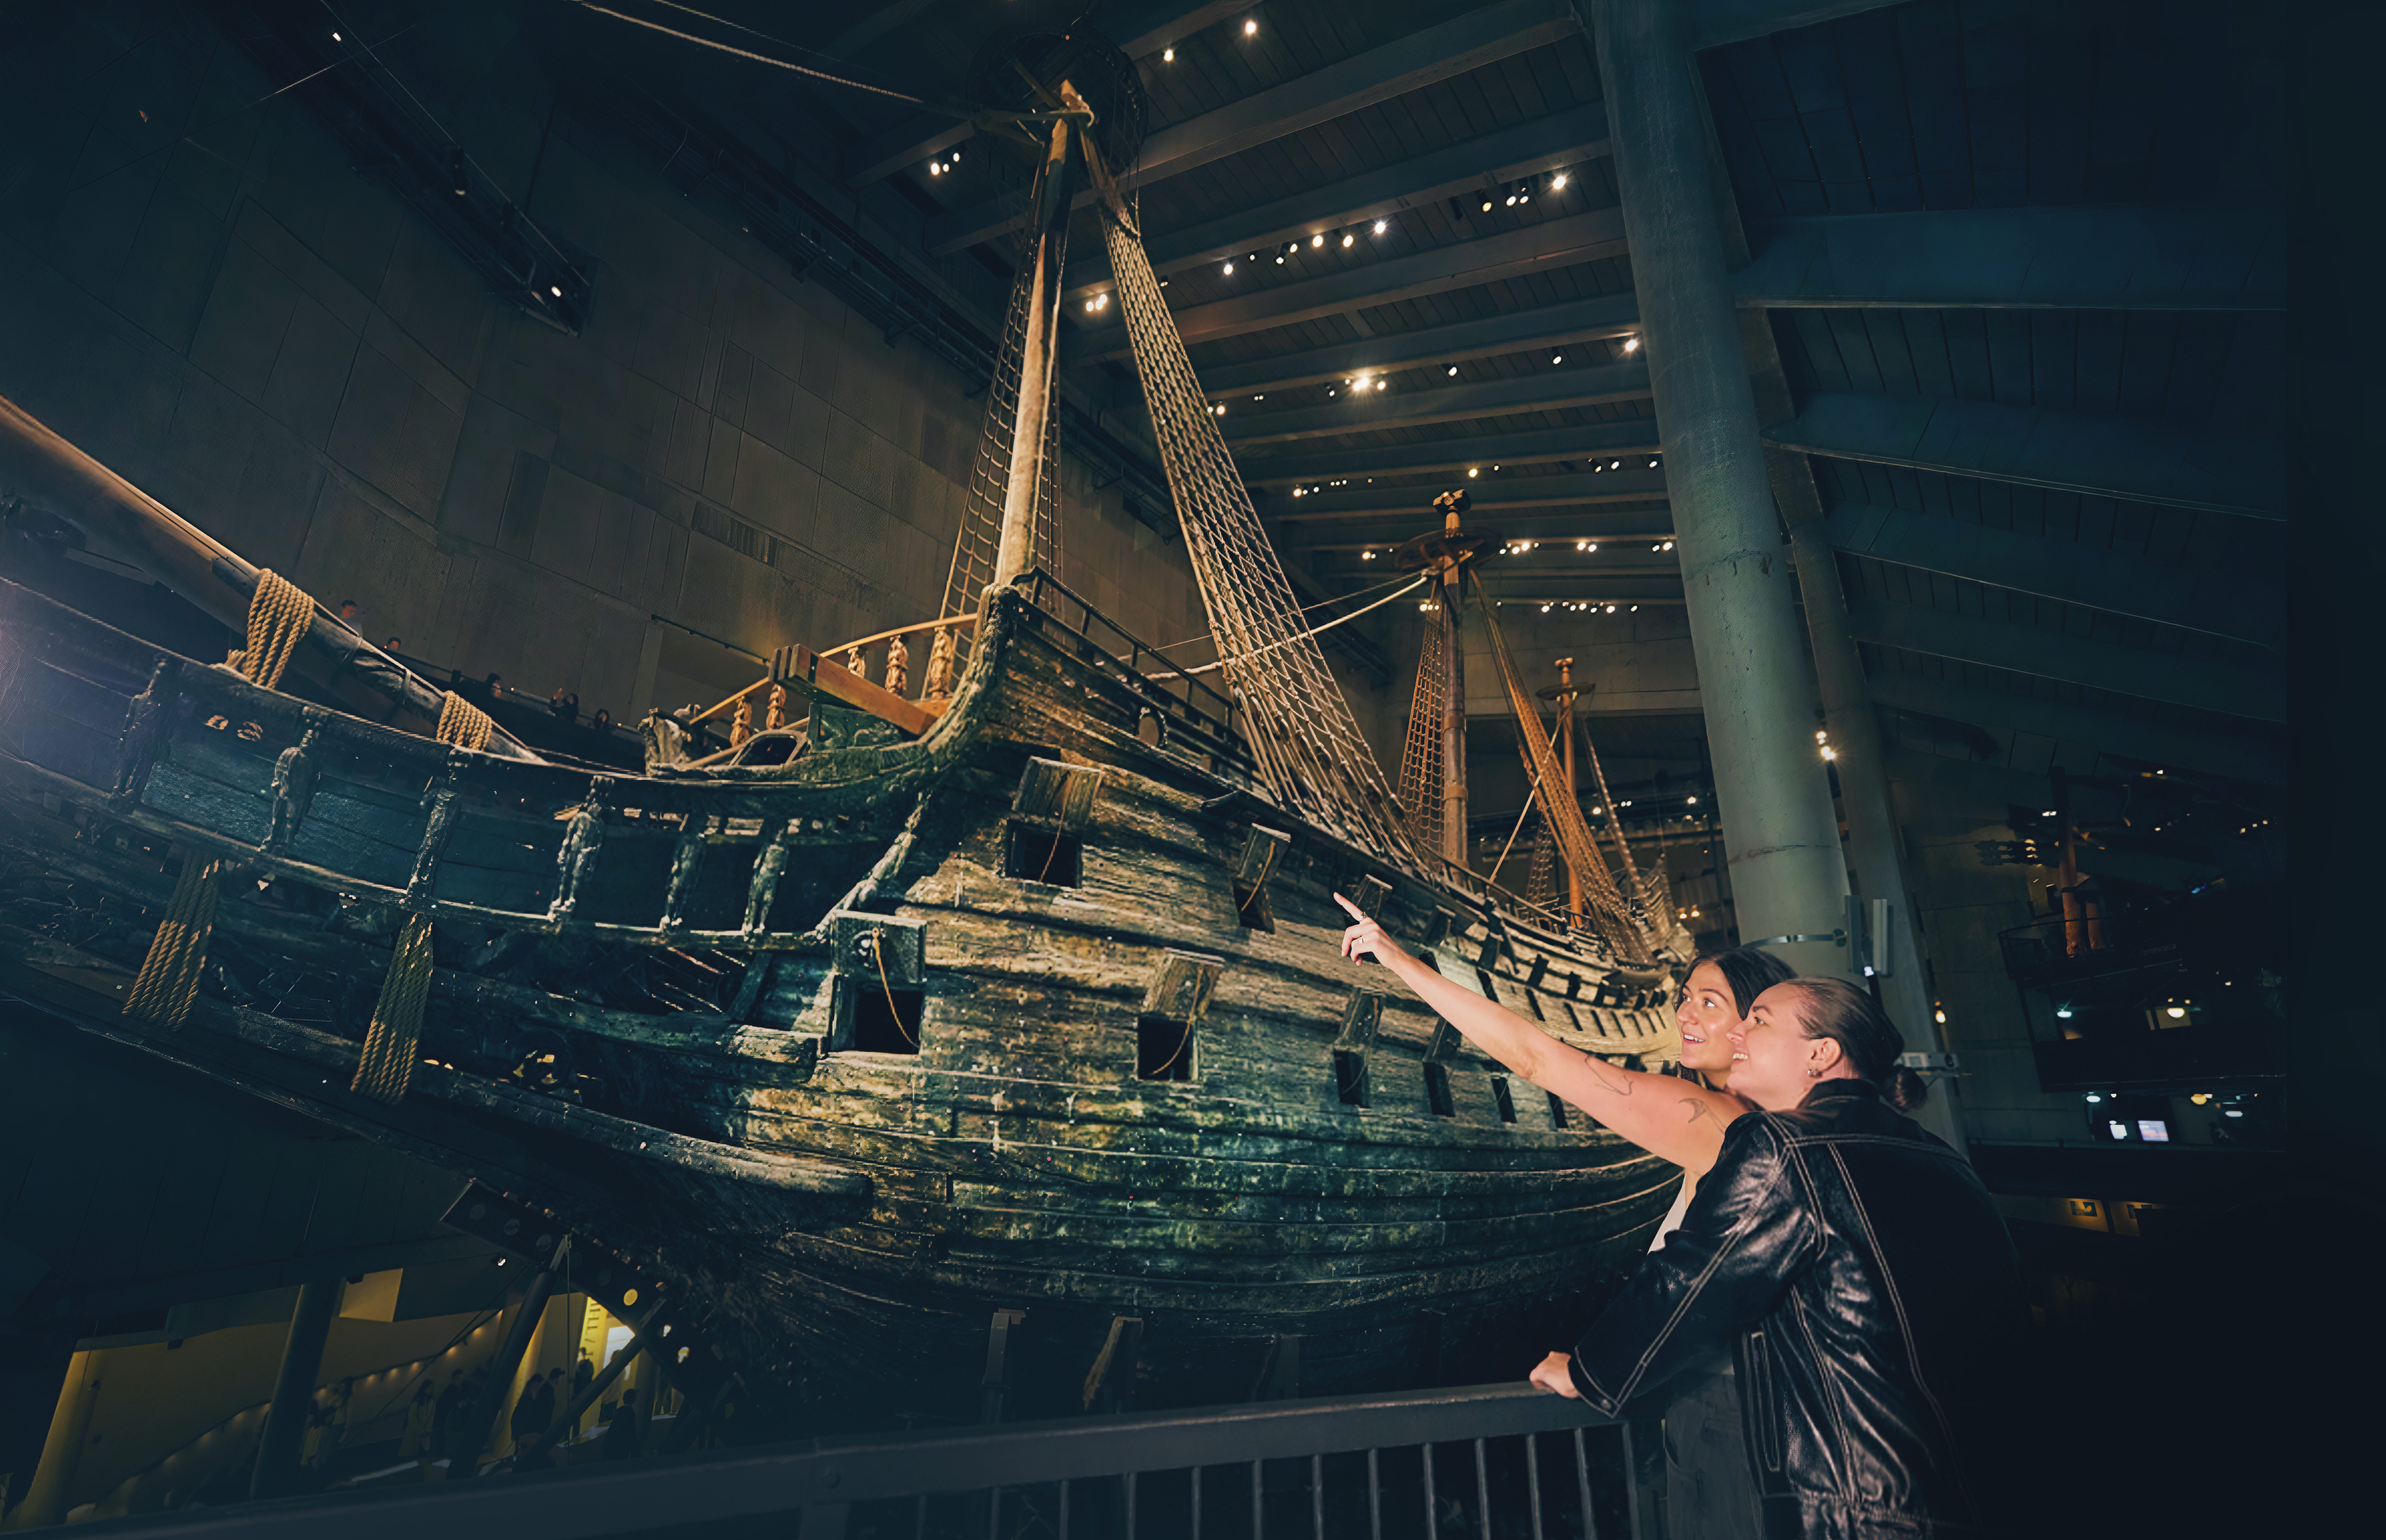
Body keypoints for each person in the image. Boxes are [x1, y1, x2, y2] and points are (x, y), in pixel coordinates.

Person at [1327, 894, 1787, 1535]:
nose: (1683, 1013)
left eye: (1709, 1003)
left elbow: (1537, 1059)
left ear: (1751, 1025)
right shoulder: (1768, 1125)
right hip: (1758, 1401)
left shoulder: (1718, 1123)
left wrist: (1399, 959)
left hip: (1728, 1411)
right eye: (1685, 996)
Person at [1528, 978, 2026, 1539]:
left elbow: (1694, 1280)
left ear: (1821, 1052)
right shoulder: (1945, 1159)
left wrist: (1589, 1370)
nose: (1737, 1031)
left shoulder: (1782, 1143)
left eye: (1759, 1020)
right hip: (1977, 1498)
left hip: (1860, 1512)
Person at [601, 1386, 642, 1461]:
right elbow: (631, 1434)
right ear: (632, 1400)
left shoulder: (619, 1411)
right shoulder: (631, 1414)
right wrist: (637, 1450)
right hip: (620, 1450)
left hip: (611, 1448)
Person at [399, 1381, 437, 1458]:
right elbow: (412, 1420)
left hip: (424, 1436)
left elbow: (431, 1417)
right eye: (429, 1388)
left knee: (422, 1457)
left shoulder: (432, 1401)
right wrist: (423, 1432)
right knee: (411, 1457)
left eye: (432, 1388)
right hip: (414, 1434)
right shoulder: (417, 1401)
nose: (431, 1390)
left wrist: (427, 1431)